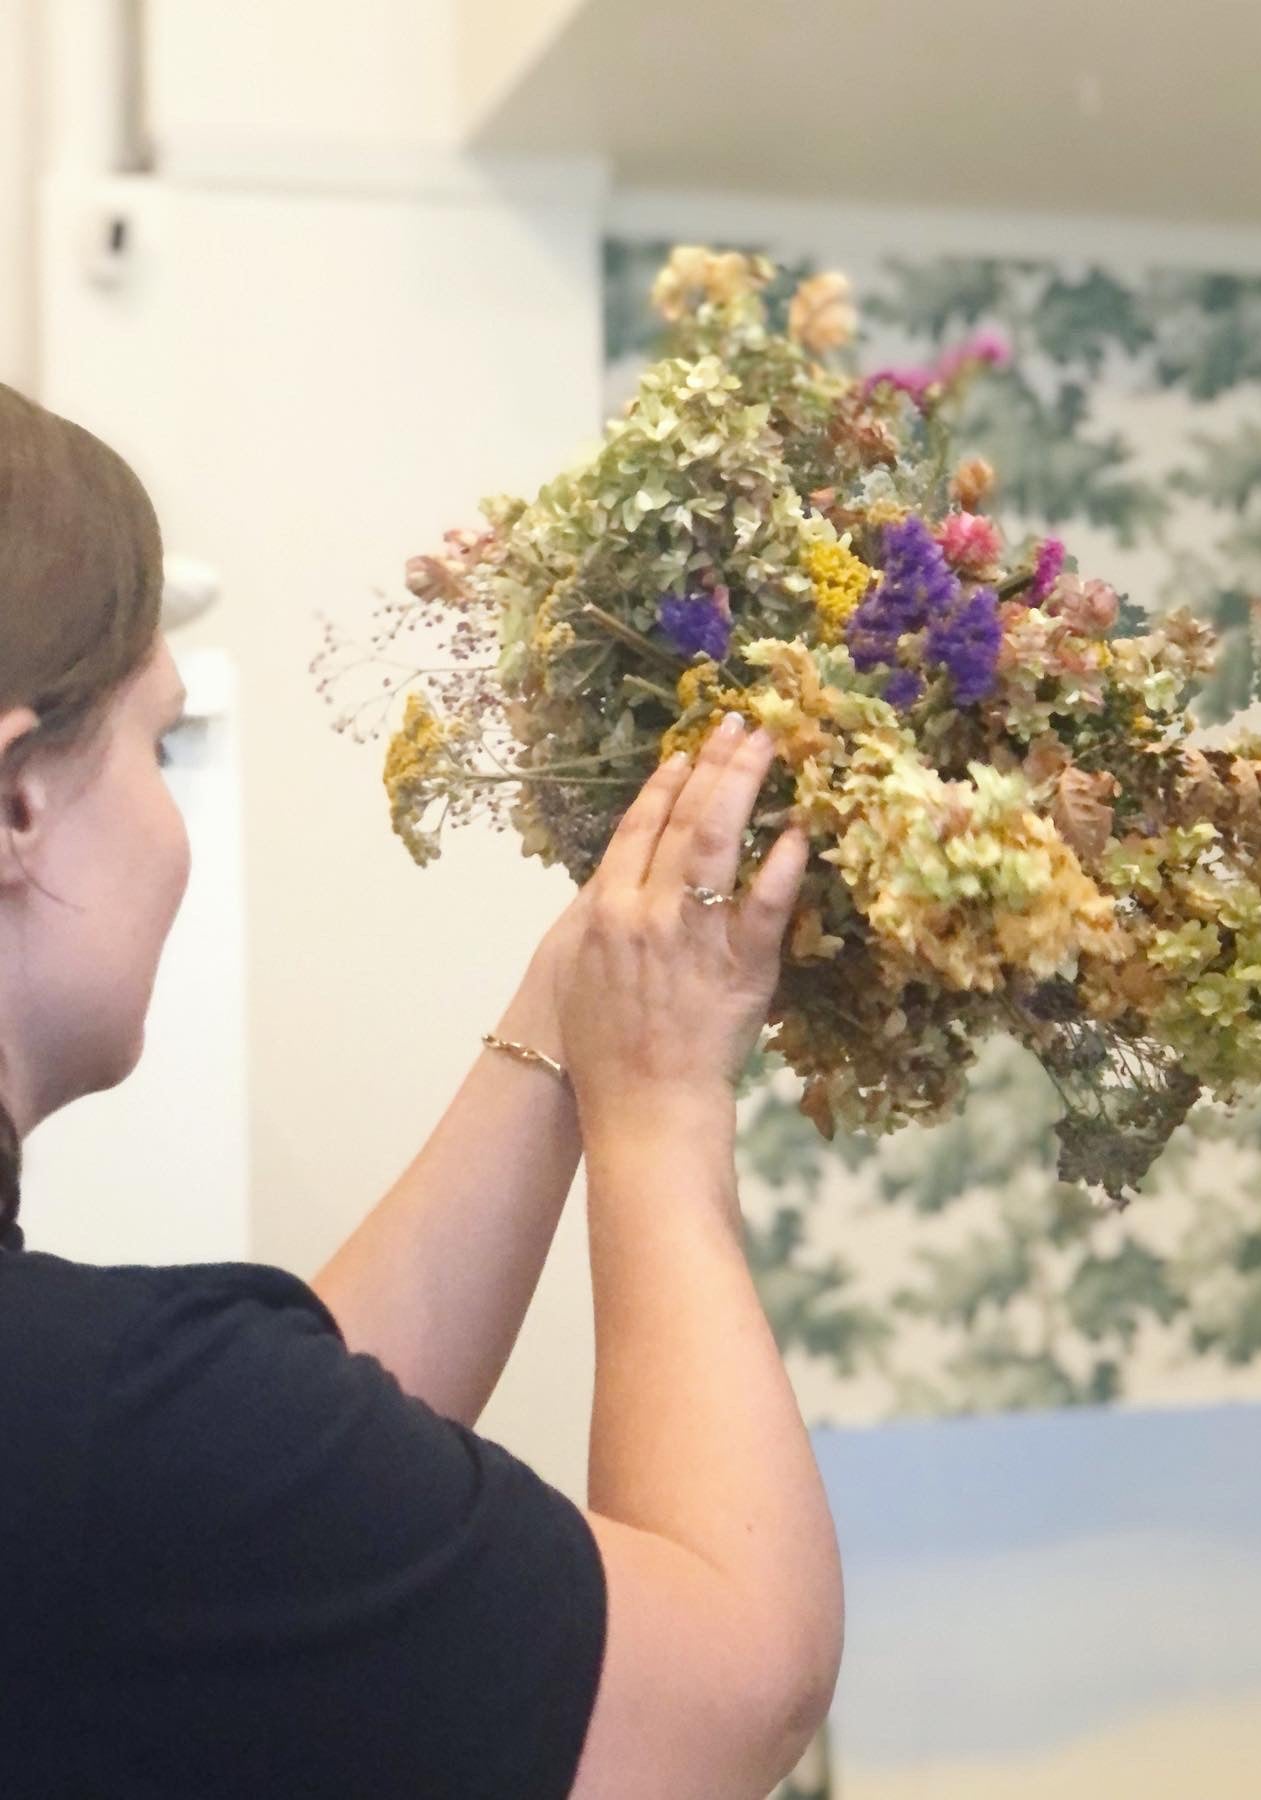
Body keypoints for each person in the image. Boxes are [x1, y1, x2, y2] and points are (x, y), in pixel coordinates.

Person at [0, 382, 844, 1798]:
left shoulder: (108, 1434)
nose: (170, 816)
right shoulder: (94, 1424)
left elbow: (256, 1486)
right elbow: (737, 1681)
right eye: (159, 745)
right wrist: (661, 1106)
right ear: (18, 802)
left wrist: (576, 1005)